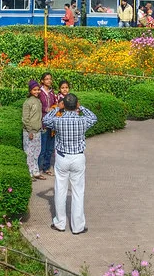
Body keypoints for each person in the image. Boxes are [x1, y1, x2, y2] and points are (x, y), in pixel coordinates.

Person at [41, 93, 98, 235]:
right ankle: (78, 226)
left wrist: (57, 109)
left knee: (60, 190)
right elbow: (94, 118)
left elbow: (45, 120)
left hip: (62, 157)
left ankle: (60, 223)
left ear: (64, 105)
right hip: (78, 157)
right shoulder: (82, 120)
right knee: (78, 192)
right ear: (76, 104)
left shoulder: (58, 121)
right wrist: (81, 107)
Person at [22, 80, 46, 180]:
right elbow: (25, 118)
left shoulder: (38, 101)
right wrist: (29, 131)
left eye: (38, 90)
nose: (37, 92)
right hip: (29, 132)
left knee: (37, 152)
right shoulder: (27, 102)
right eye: (34, 90)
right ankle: (29, 173)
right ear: (30, 90)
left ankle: (36, 171)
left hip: (38, 131)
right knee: (29, 153)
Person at [38, 73, 57, 176]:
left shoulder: (51, 92)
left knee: (50, 148)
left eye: (50, 79)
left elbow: (55, 104)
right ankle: (39, 168)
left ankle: (46, 167)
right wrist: (47, 109)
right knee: (42, 148)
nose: (49, 81)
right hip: (43, 123)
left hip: (52, 124)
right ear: (42, 81)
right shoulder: (40, 92)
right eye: (46, 79)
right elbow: (37, 106)